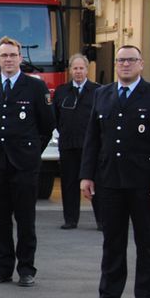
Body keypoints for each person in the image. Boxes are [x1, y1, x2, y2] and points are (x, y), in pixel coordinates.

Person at [81, 45, 150, 298]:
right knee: (112, 243)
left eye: (131, 60)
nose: (125, 65)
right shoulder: (103, 94)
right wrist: (86, 175)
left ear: (141, 64)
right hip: (109, 181)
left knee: (147, 242)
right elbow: (93, 139)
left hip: (144, 182)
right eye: (121, 60)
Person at [0, 37, 55, 288]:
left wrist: (32, 153)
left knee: (25, 219)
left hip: (24, 165)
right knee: (0, 219)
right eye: (4, 55)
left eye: (13, 55)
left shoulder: (35, 87)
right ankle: (2, 267)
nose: (8, 59)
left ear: (21, 58)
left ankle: (26, 269)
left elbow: (47, 124)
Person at [53, 54, 100, 230]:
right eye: (75, 68)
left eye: (81, 68)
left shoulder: (98, 91)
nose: (78, 71)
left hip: (91, 147)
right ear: (70, 70)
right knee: (69, 183)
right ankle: (70, 219)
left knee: (94, 183)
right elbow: (55, 118)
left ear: (87, 70)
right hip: (68, 145)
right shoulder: (61, 91)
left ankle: (101, 221)